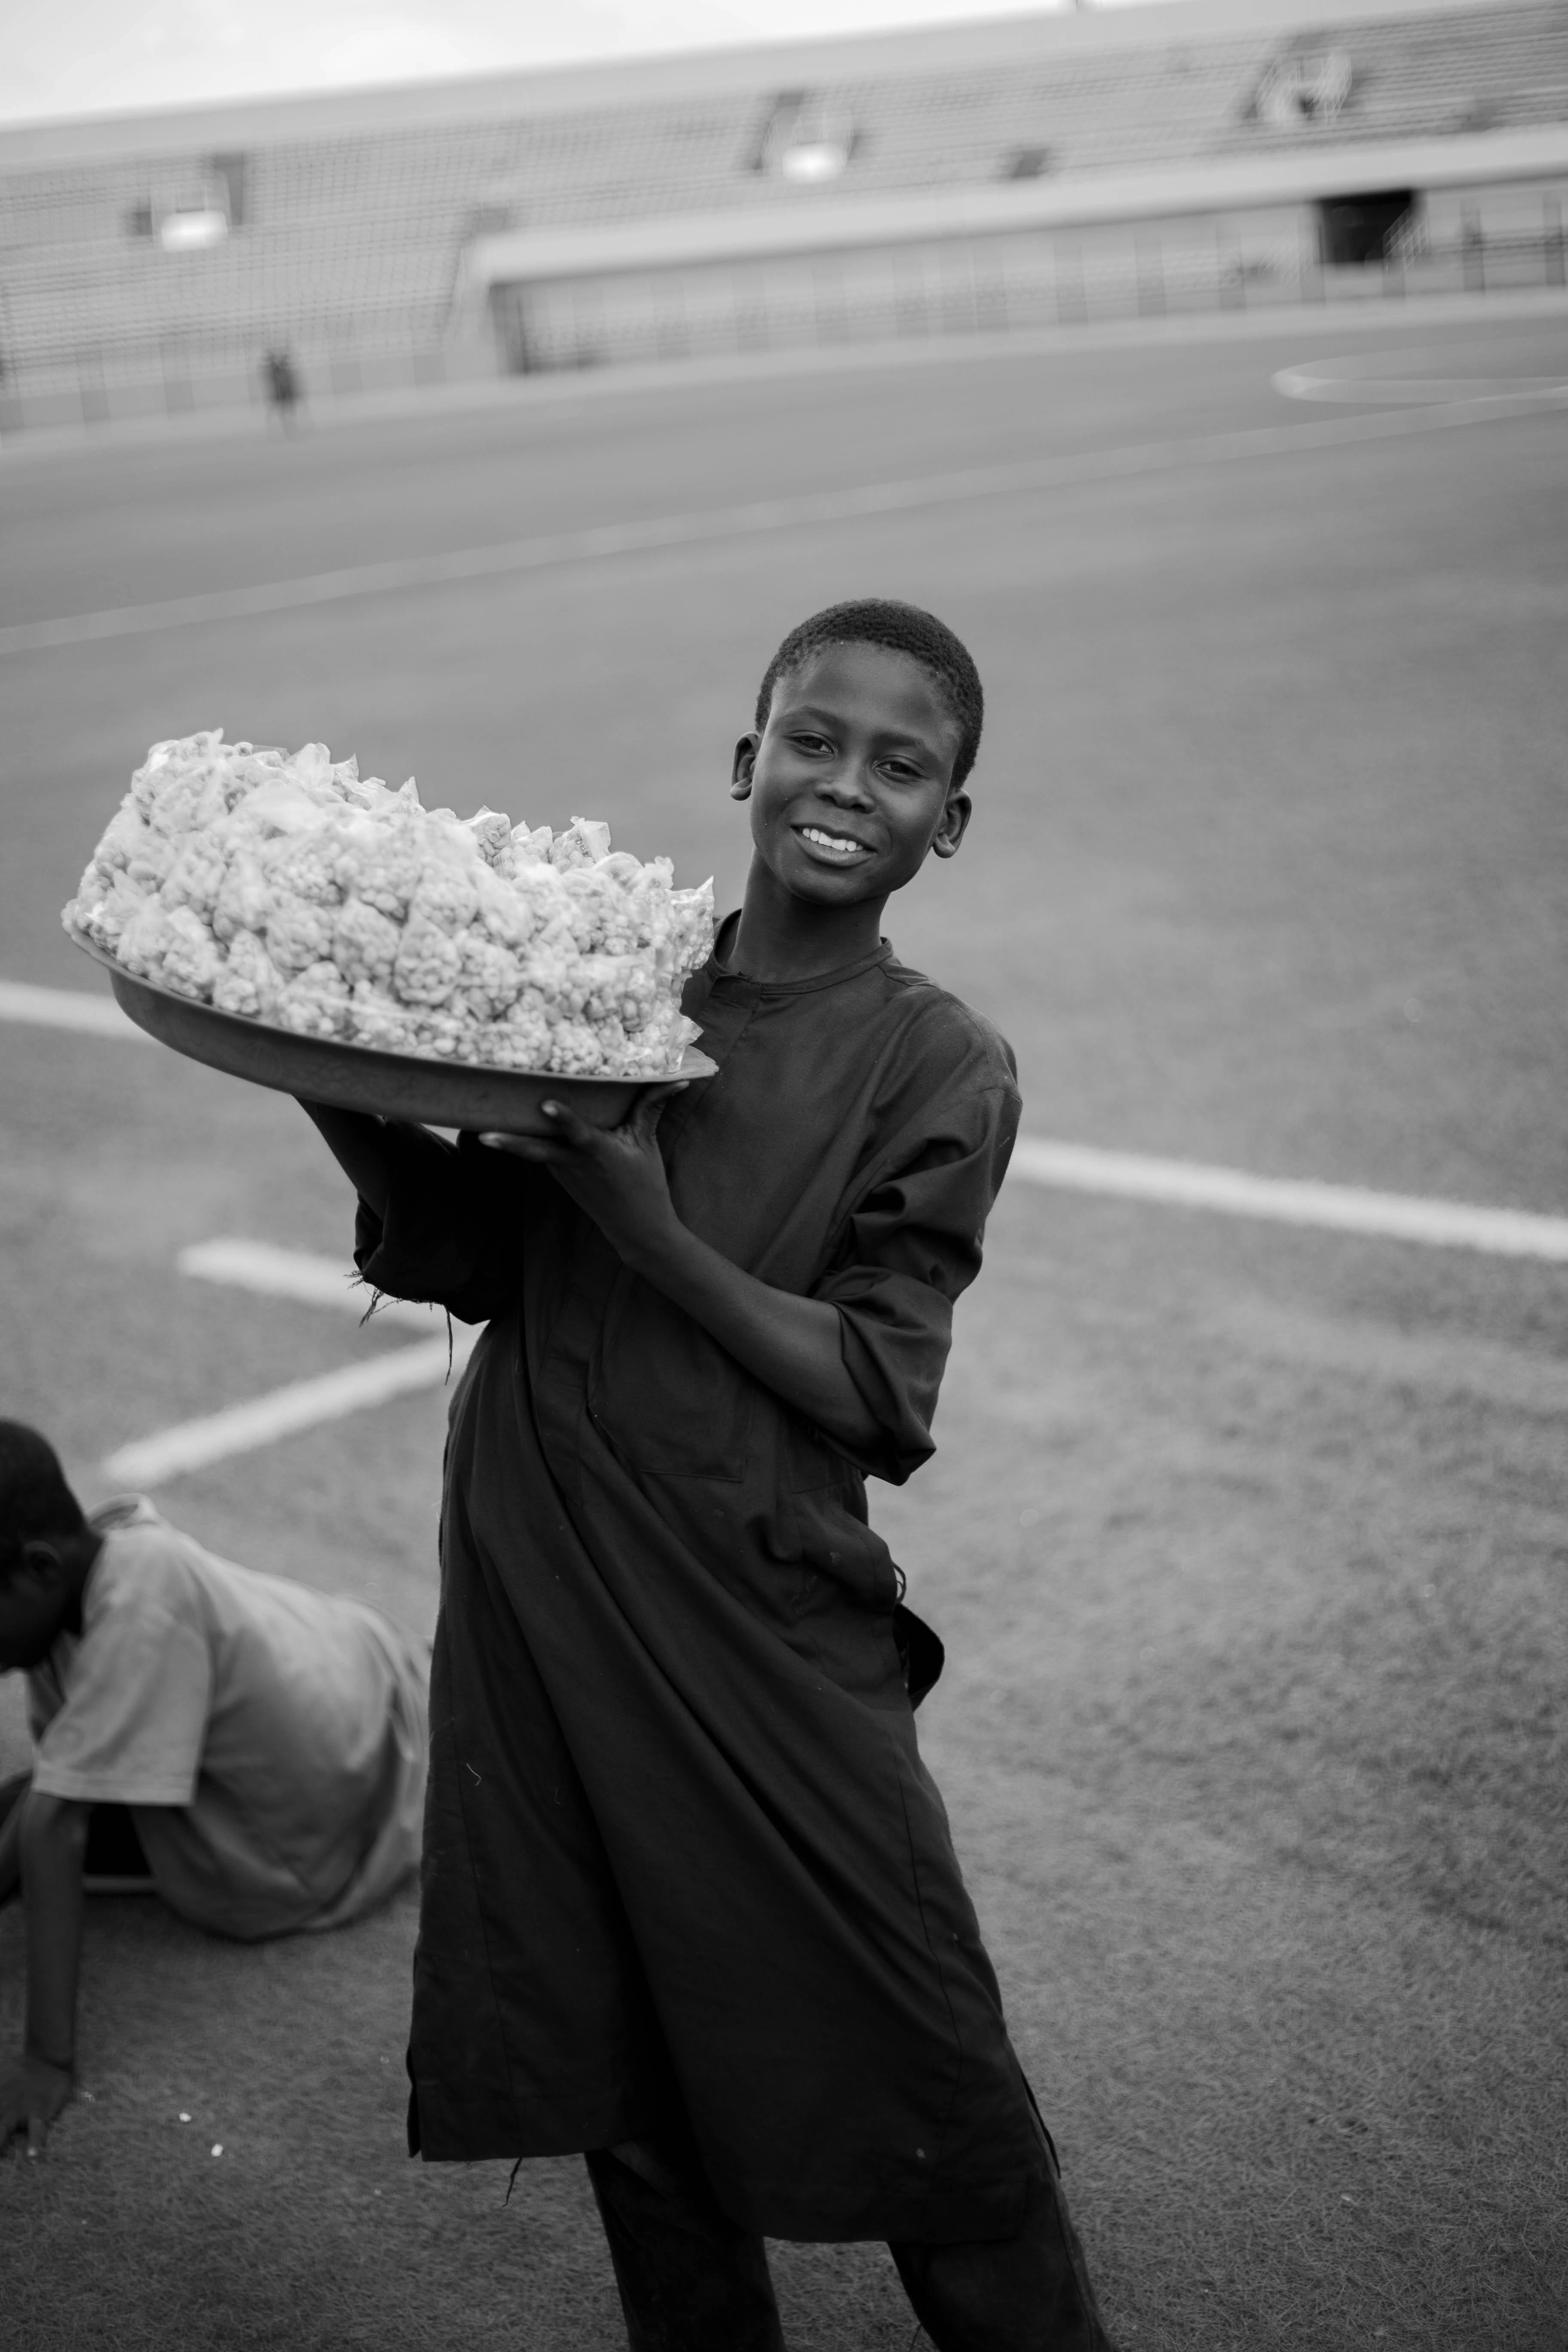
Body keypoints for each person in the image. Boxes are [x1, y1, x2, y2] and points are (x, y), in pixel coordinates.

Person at [300, 600, 1115, 2349]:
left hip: (754, 1604)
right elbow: (466, 1253)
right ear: (748, 762)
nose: (846, 785)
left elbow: (879, 1388)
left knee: (935, 2094)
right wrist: (327, 1050)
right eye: (813, 741)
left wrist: (651, 1230)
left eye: (903, 766)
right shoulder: (614, 978)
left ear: (947, 823)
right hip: (537, 1577)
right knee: (630, 2094)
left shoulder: (935, 1059)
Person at [0, 1423, 429, 2158]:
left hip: (313, 1834)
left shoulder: (141, 1597)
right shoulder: (102, 1559)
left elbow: (55, 1825)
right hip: (361, 1663)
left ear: (39, 1568)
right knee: (30, 1806)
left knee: (32, 1818)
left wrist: (47, 2062)